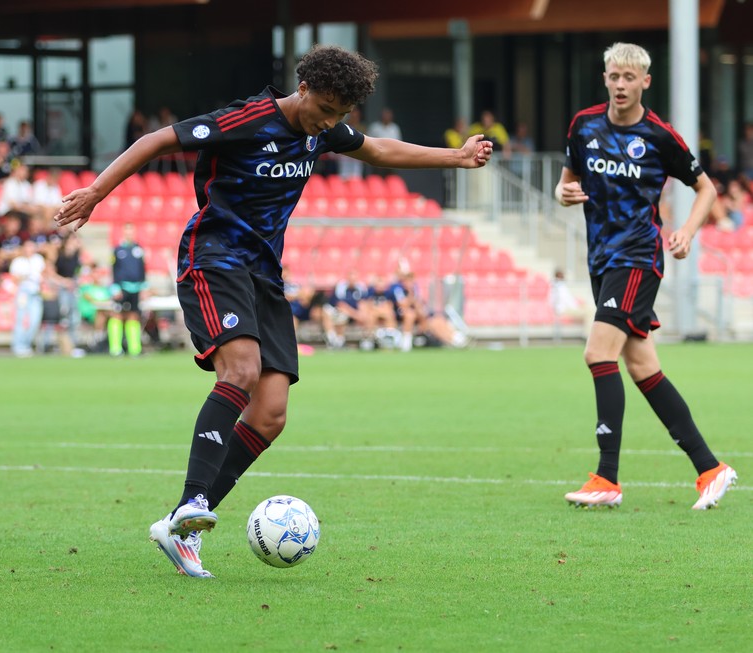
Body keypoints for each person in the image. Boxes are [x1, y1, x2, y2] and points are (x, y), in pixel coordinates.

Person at [54, 44, 492, 578]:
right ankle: (196, 499)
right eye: (324, 108)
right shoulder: (248, 119)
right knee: (240, 370)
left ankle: (179, 526)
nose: (328, 122)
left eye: (338, 116)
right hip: (213, 257)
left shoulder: (321, 128)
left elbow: (376, 150)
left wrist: (456, 156)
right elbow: (156, 139)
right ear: (303, 87)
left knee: (270, 413)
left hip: (264, 275)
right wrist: (98, 192)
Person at [555, 42, 736, 510]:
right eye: (613, 76)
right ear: (606, 77)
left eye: (629, 78)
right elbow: (567, 179)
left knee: (598, 354)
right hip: (601, 260)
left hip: (636, 257)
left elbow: (706, 188)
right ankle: (710, 468)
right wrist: (562, 193)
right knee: (643, 367)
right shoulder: (583, 125)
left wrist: (688, 233)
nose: (619, 85)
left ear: (645, 82)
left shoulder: (659, 136)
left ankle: (607, 478)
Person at [108, 222, 147, 357]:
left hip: (136, 288)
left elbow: (142, 270)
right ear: (124, 233)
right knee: (117, 315)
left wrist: (144, 287)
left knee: (134, 316)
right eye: (127, 231)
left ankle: (134, 349)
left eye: (131, 231)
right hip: (122, 287)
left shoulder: (138, 249)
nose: (129, 233)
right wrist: (115, 288)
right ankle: (115, 348)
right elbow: (114, 270)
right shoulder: (118, 250)